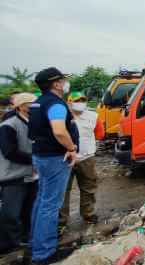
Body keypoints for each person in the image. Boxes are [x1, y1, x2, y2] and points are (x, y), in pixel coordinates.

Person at [28, 67, 79, 265]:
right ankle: (44, 254)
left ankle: (35, 244)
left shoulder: (38, 103)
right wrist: (72, 147)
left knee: (41, 201)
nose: (65, 83)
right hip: (54, 159)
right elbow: (59, 131)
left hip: (41, 156)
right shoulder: (56, 104)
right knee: (50, 205)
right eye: (62, 80)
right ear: (56, 84)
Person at [59, 92, 104, 231]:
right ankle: (60, 221)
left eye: (83, 100)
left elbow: (100, 134)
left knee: (89, 187)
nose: (81, 102)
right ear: (69, 102)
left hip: (86, 158)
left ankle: (88, 214)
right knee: (62, 190)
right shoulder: (61, 116)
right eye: (77, 100)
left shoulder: (93, 116)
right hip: (65, 159)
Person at [0, 93, 37, 254]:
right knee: (11, 213)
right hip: (13, 176)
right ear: (21, 106)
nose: (36, 107)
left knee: (28, 210)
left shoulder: (33, 123)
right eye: (32, 104)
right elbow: (9, 151)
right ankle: (9, 246)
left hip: (32, 175)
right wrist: (34, 159)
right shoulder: (9, 125)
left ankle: (25, 238)